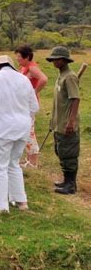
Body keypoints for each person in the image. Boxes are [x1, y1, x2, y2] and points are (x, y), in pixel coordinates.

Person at [0, 55, 39, 213]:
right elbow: (34, 107)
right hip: (22, 127)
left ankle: (1, 206)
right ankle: (21, 202)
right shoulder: (24, 79)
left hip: (3, 127)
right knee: (13, 164)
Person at [46, 46, 82, 195]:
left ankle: (71, 185)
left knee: (69, 153)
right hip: (58, 122)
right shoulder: (61, 76)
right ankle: (66, 180)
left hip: (67, 123)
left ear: (64, 60)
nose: (54, 62)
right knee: (61, 151)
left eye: (57, 59)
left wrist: (71, 121)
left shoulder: (70, 76)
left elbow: (75, 99)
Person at [15, 44, 48, 168]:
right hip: (23, 103)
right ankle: (28, 160)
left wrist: (34, 92)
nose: (17, 59)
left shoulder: (32, 67)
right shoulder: (24, 67)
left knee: (29, 131)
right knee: (25, 131)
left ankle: (33, 162)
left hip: (29, 104)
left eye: (19, 56)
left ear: (27, 57)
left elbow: (44, 79)